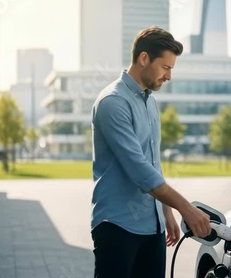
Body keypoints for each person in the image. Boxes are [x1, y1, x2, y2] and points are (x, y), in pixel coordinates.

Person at [90, 26, 212, 278]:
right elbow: (140, 170)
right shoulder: (113, 102)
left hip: (151, 227)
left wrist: (165, 212)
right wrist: (185, 208)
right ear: (144, 58)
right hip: (117, 226)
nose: (169, 76)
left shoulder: (150, 101)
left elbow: (153, 162)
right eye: (165, 67)